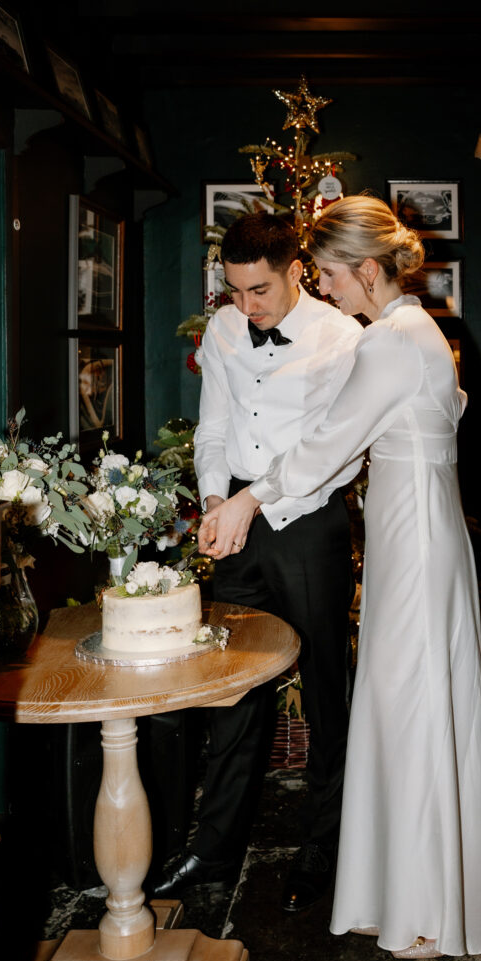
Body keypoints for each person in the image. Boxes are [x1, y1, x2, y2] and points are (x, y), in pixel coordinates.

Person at [200, 195, 481, 957]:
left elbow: (326, 446)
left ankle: (428, 908)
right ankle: (407, 893)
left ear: (367, 270)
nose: (324, 288)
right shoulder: (415, 333)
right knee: (404, 707)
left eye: (331, 275)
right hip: (417, 527)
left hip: (415, 541)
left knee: (410, 709)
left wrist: (247, 499)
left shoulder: (391, 339)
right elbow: (450, 407)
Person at [151, 212, 364, 911]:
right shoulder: (221, 329)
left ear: (297, 269)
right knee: (232, 690)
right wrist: (216, 499)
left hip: (307, 526)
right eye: (236, 292)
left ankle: (324, 852)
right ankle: (213, 853)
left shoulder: (341, 338)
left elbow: (336, 452)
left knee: (326, 690)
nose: (247, 307)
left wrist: (252, 502)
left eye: (260, 291)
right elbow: (212, 427)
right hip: (234, 525)